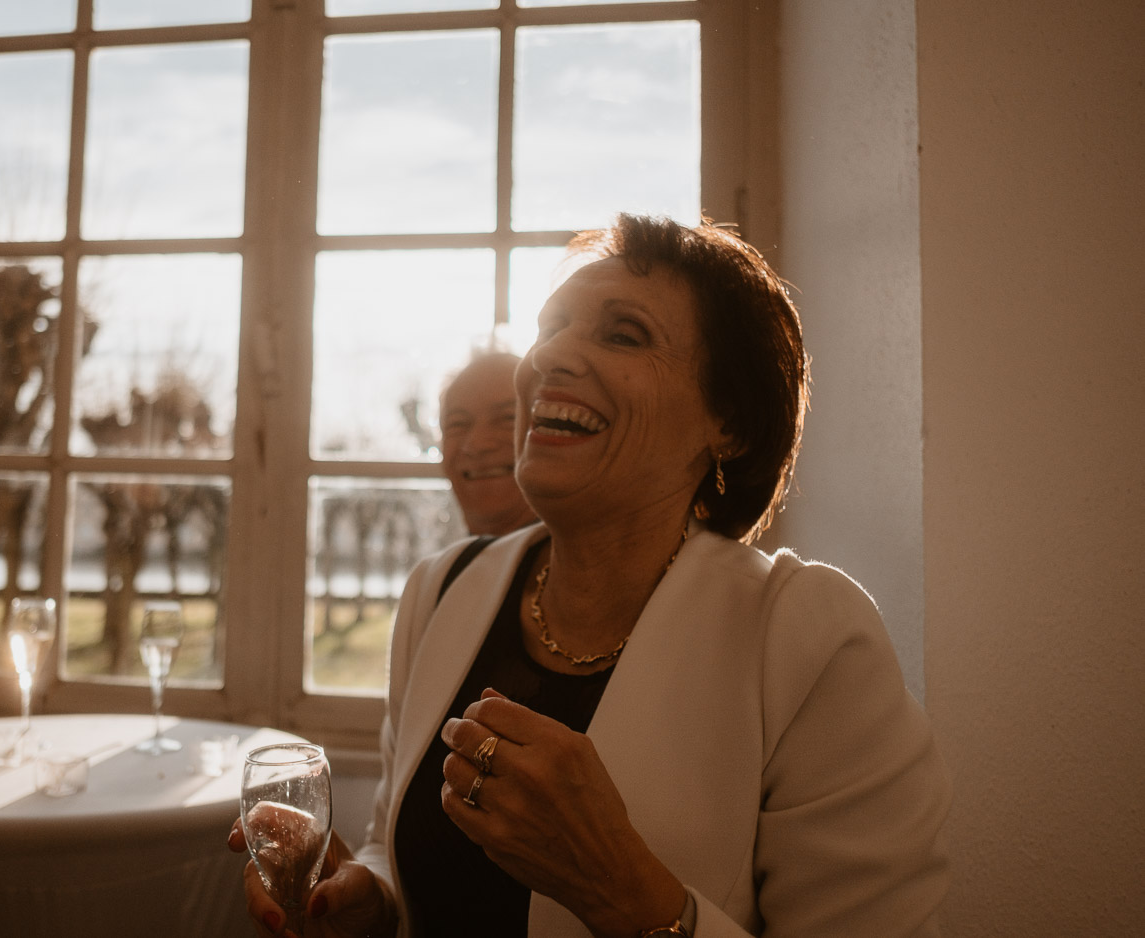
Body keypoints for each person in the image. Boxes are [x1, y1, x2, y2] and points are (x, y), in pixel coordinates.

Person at [230, 214, 950, 937]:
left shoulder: (808, 638)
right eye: (551, 328)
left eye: (623, 334)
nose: (550, 358)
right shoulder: (442, 589)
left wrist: (616, 887)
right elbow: (397, 838)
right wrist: (370, 899)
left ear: (727, 421)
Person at [438, 351, 537, 537]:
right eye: (457, 424)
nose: (477, 444)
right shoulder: (444, 565)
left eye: (508, 418)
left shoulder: (586, 563)